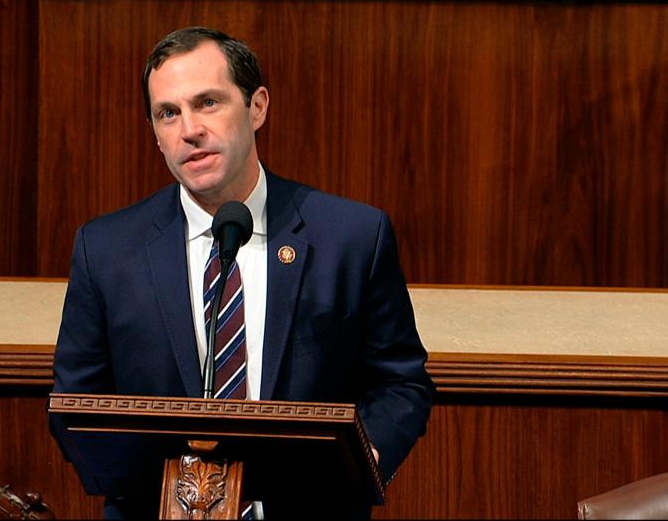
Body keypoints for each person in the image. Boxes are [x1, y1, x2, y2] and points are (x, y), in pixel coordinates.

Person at [50, 26, 434, 519]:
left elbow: (402, 382)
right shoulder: (105, 249)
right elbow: (76, 404)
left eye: (208, 102)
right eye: (168, 113)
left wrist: (364, 460)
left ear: (257, 107)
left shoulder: (352, 237)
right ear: (155, 134)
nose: (189, 129)